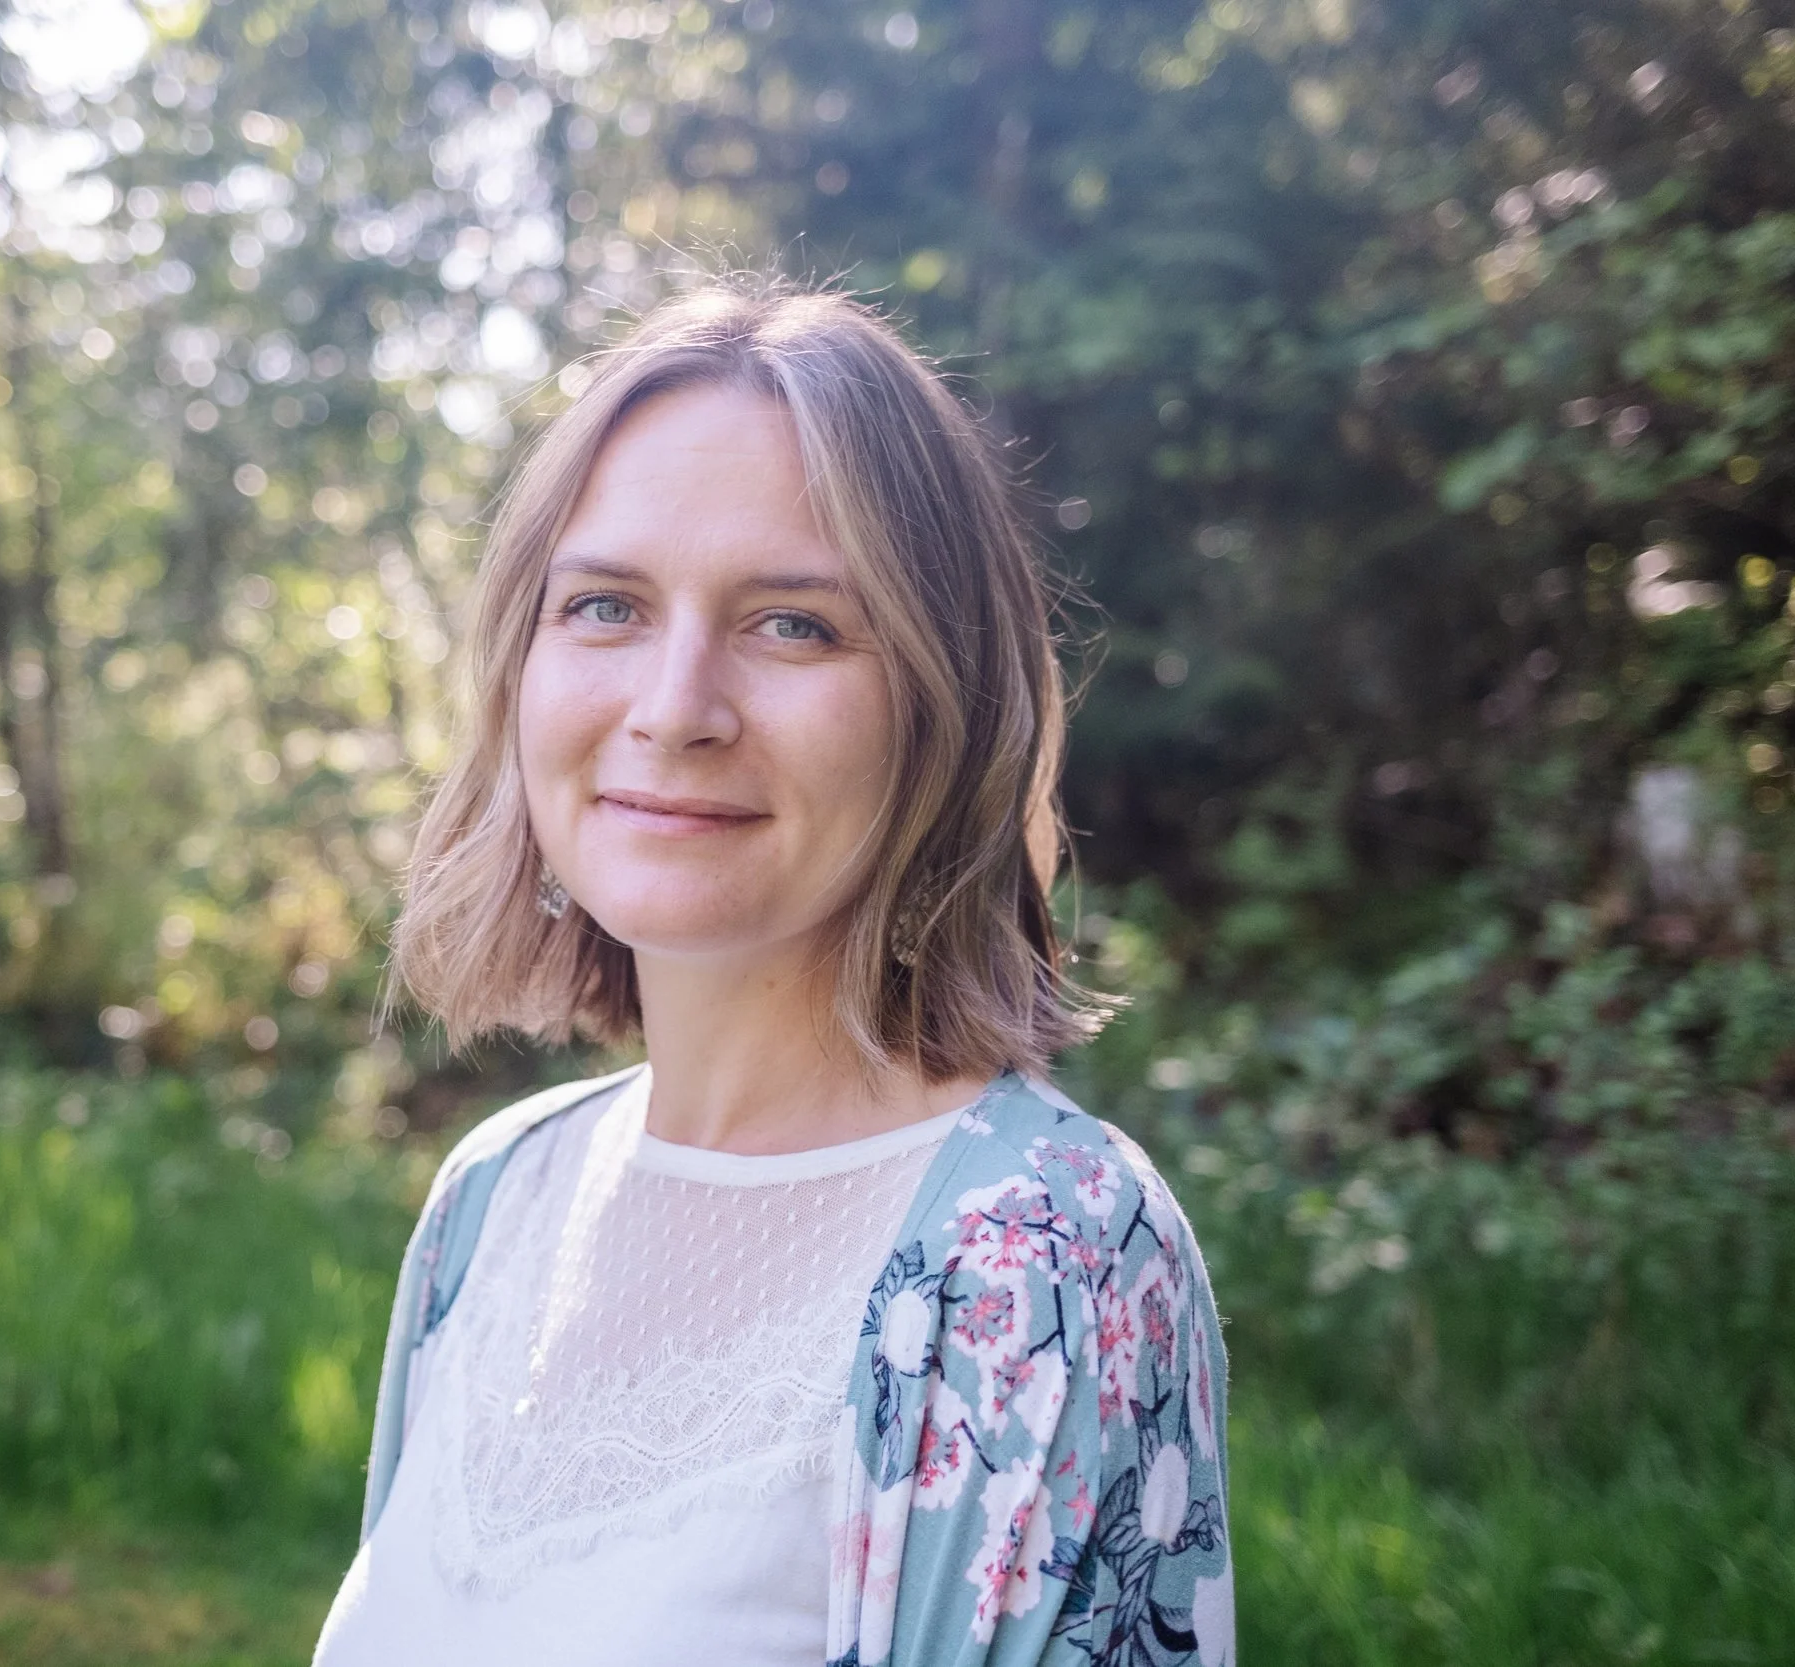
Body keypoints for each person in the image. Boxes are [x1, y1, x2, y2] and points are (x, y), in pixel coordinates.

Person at [314, 281, 1232, 1667]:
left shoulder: (1041, 1258)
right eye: (608, 604)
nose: (675, 707)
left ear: (943, 705)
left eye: (794, 622)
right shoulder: (492, 1198)